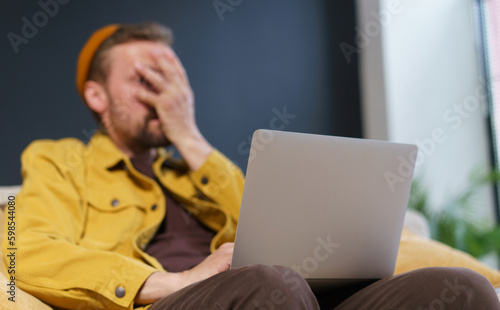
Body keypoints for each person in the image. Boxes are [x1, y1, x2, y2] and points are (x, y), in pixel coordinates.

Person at [3, 22, 500, 310]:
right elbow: (20, 249)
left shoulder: (197, 171)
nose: (164, 94)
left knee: (462, 291)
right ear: (97, 94)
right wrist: (178, 282)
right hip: (186, 301)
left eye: (173, 79)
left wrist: (190, 137)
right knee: (272, 284)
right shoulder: (60, 159)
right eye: (145, 79)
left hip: (286, 297)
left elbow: (277, 233)